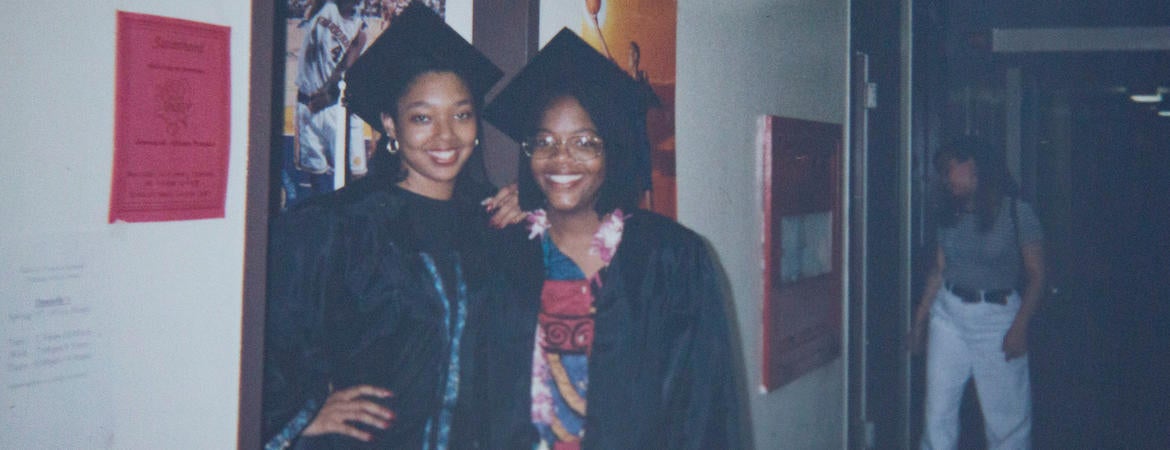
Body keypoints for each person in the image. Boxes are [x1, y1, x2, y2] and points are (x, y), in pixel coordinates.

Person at [261, 3, 517, 448]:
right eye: (422, 117)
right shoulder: (335, 227)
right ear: (389, 124)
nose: (445, 135)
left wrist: (539, 210)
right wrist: (303, 414)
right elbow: (262, 338)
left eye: (461, 114)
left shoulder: (492, 220)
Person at [475, 29, 743, 449]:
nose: (561, 158)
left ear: (612, 151)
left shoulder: (672, 259)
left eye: (585, 142)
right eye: (544, 142)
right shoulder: (502, 258)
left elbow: (705, 408)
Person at [908, 136, 1046, 449]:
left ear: (974, 166)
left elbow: (1037, 277)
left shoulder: (1017, 213)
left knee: (1006, 422)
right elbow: (939, 271)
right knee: (937, 414)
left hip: (998, 319)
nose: (944, 178)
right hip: (949, 316)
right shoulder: (950, 213)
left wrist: (1019, 328)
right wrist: (919, 323)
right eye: (941, 172)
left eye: (949, 169)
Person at [293, 0, 368, 194]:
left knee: (355, 177)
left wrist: (328, 92)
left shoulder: (359, 28)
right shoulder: (323, 8)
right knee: (316, 177)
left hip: (337, 106)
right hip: (308, 104)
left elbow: (345, 68)